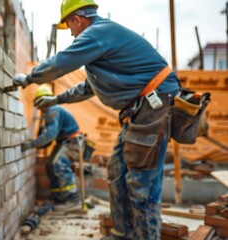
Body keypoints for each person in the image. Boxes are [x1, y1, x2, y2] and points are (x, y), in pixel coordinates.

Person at [11, 0, 181, 239]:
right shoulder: (101, 45)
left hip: (154, 106)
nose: (71, 32)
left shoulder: (97, 33)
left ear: (77, 19)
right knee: (116, 172)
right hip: (140, 111)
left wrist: (29, 78)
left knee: (141, 183)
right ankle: (122, 233)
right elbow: (86, 88)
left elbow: (61, 62)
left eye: (69, 26)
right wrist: (56, 99)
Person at [21, 84, 81, 204]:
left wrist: (31, 144)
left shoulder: (53, 111)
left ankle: (72, 198)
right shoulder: (53, 112)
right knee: (50, 165)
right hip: (64, 142)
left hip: (72, 142)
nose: (40, 109)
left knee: (59, 165)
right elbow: (47, 141)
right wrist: (37, 143)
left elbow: (50, 136)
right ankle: (59, 196)